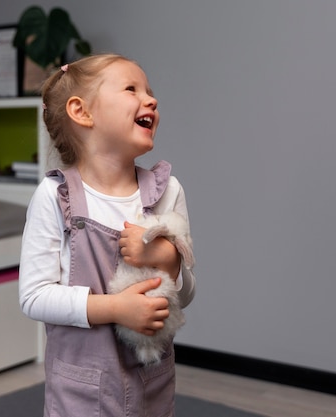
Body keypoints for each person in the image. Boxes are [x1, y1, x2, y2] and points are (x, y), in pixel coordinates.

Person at [19, 53, 196, 417]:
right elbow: (34, 297)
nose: (151, 99)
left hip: (151, 380)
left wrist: (169, 260)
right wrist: (116, 309)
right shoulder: (55, 197)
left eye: (149, 91)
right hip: (81, 389)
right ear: (82, 112)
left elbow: (188, 295)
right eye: (132, 89)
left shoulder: (167, 191)